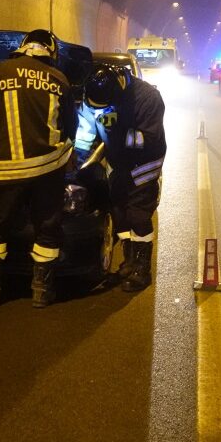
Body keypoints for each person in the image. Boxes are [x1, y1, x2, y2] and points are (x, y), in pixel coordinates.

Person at [0, 29, 75, 308]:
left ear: (24, 47)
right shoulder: (59, 79)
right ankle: (42, 290)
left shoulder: (0, 71)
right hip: (48, 168)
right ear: (50, 52)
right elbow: (71, 126)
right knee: (47, 228)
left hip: (9, 168)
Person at [75, 65, 166, 291]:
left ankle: (142, 270)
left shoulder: (147, 97)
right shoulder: (94, 95)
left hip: (144, 163)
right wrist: (78, 157)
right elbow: (87, 127)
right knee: (119, 211)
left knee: (138, 214)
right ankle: (129, 262)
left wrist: (119, 135)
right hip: (119, 163)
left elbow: (151, 139)